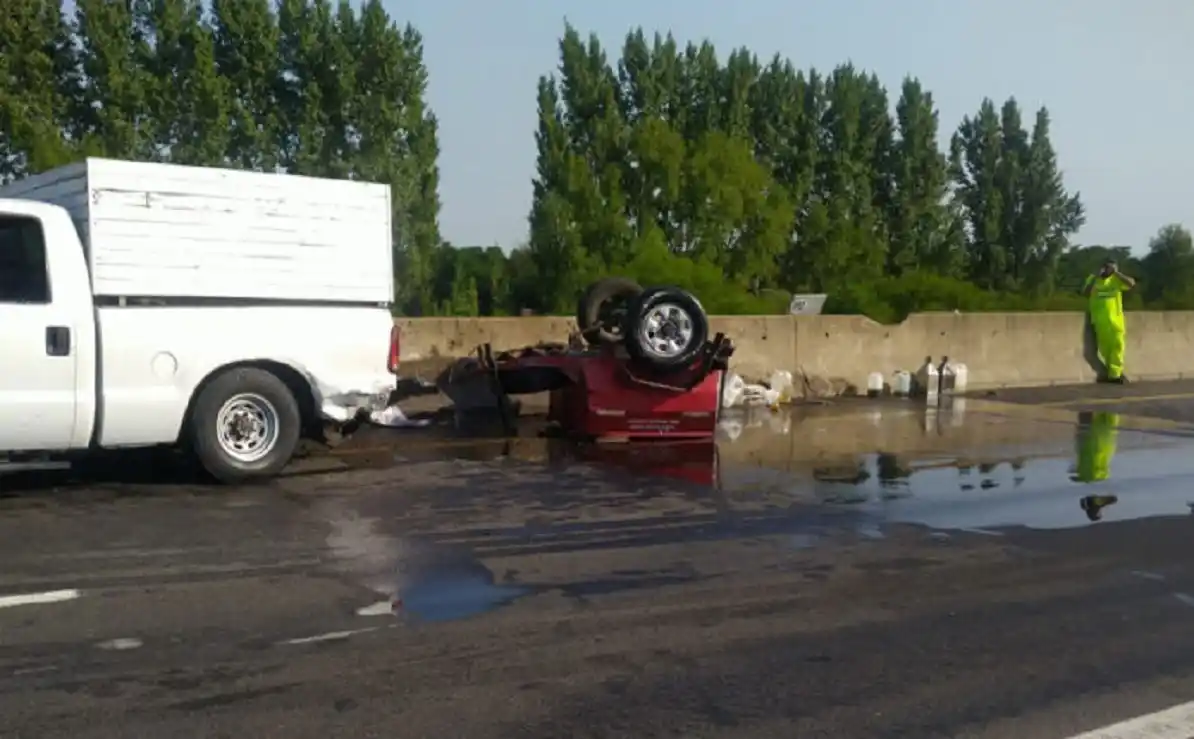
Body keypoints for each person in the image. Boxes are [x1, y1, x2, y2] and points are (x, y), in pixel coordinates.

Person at [1081, 259, 1136, 383]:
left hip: (1116, 320)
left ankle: (1116, 374)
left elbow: (1131, 284)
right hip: (1100, 320)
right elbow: (1085, 292)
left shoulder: (1116, 280)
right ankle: (1111, 373)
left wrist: (1116, 273)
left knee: (1118, 345)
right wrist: (1096, 276)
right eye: (1106, 267)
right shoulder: (1093, 279)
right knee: (1105, 349)